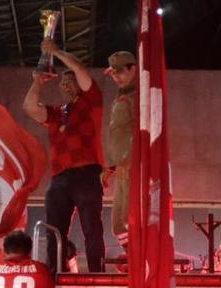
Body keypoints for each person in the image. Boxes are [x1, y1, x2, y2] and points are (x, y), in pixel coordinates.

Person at [23, 40, 106, 272]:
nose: (66, 86)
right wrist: (37, 82)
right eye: (63, 83)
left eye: (70, 82)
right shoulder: (58, 113)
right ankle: (53, 272)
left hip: (87, 173)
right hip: (60, 177)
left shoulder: (91, 102)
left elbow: (80, 69)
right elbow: (30, 107)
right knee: (53, 229)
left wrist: (56, 52)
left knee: (92, 226)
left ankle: (96, 273)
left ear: (79, 85)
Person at [102, 50, 137, 254]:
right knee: (120, 219)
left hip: (133, 164)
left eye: (119, 72)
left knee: (128, 217)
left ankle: (137, 256)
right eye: (113, 74)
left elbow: (141, 131)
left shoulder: (139, 96)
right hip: (123, 165)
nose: (116, 77)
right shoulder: (122, 96)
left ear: (133, 68)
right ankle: (131, 256)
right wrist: (112, 165)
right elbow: (118, 135)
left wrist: (128, 160)